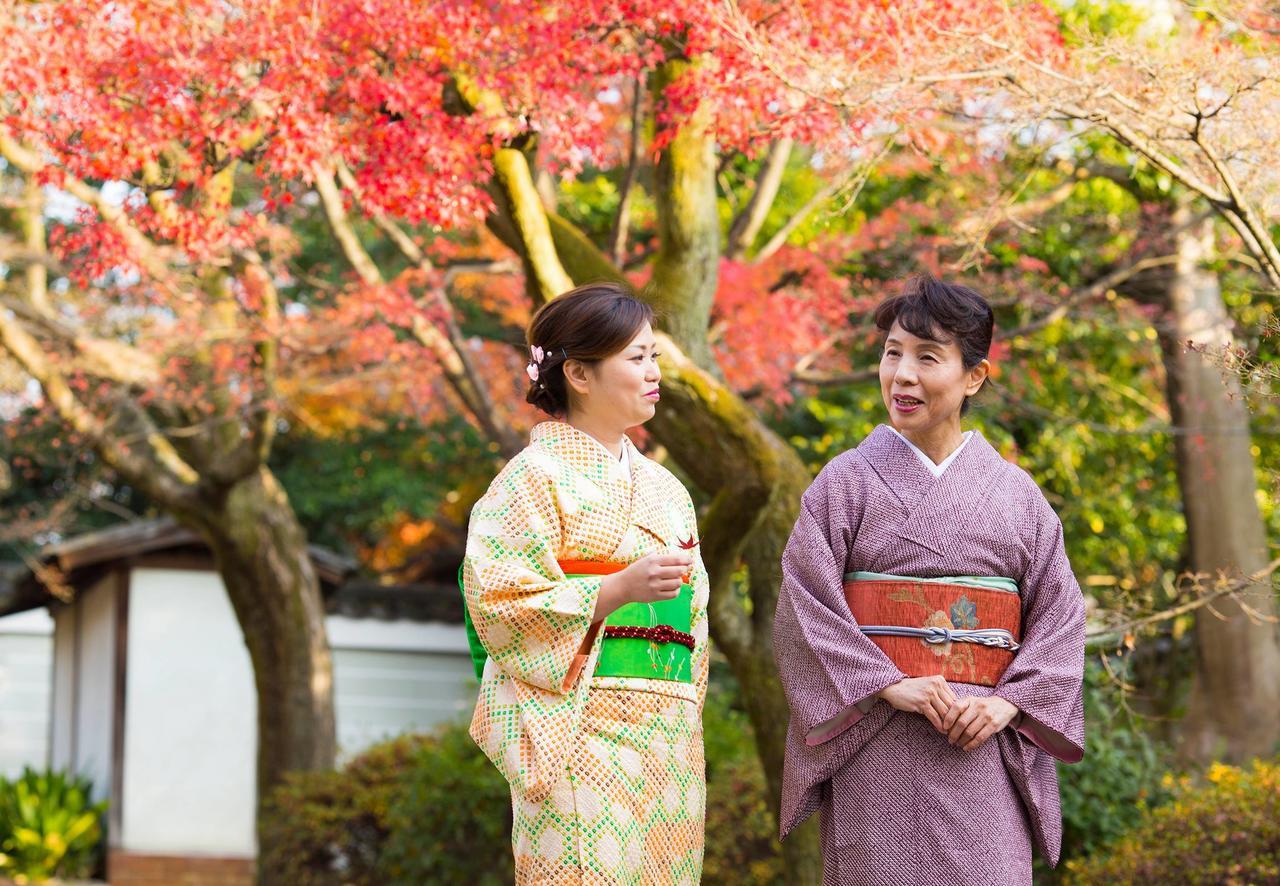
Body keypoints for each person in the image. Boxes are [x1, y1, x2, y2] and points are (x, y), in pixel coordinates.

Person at [774, 275, 1086, 884]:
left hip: (981, 751)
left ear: (974, 376)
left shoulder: (1017, 497)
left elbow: (1060, 617)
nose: (903, 375)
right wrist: (890, 684)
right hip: (879, 745)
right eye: (892, 353)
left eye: (927, 357)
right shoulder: (846, 482)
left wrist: (1008, 703)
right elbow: (802, 610)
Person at [462, 282, 708, 884]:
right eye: (637, 357)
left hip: (669, 726)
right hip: (578, 726)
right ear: (578, 372)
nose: (654, 372)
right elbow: (497, 600)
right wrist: (616, 589)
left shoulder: (667, 490)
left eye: (654, 355)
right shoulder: (531, 479)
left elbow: (693, 616)